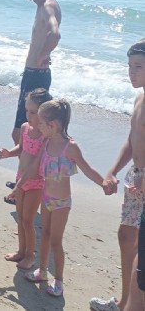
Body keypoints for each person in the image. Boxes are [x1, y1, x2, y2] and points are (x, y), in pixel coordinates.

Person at [19, 99, 108, 296]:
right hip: (46, 197)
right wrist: (19, 186)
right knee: (45, 235)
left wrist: (103, 183)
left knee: (56, 241)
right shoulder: (47, 142)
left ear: (54, 125)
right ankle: (42, 270)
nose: (38, 126)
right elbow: (34, 166)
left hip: (61, 203)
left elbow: (87, 168)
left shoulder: (70, 147)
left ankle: (58, 279)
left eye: (42, 123)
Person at [90, 39, 145, 311]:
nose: (131, 72)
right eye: (129, 66)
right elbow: (132, 140)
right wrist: (112, 170)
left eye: (138, 67)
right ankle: (125, 301)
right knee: (126, 237)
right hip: (136, 177)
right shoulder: (139, 98)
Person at [0, 88, 52, 269]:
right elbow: (21, 148)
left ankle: (30, 255)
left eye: (33, 112)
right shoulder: (24, 128)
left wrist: (19, 186)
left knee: (28, 220)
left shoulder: (46, 137)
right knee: (20, 218)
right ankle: (21, 251)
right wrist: (8, 153)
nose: (28, 115)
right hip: (21, 179)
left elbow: (37, 165)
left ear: (44, 113)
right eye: (27, 111)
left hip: (36, 183)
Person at [12, 0, 61, 145]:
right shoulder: (41, 6)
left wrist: (44, 54)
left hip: (36, 76)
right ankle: (32, 171)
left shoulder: (48, 6)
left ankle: (31, 172)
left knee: (22, 133)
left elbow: (55, 34)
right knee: (30, 132)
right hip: (34, 75)